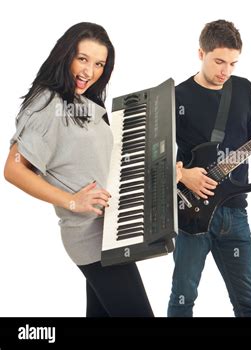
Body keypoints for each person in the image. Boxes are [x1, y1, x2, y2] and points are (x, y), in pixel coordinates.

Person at [4, 22, 156, 317]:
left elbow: (94, 162)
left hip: (110, 230)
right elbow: (14, 169)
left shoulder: (80, 101)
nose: (90, 72)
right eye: (82, 59)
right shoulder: (47, 103)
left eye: (99, 64)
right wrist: (73, 200)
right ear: (65, 54)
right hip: (90, 237)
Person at [168, 19, 251, 317]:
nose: (225, 71)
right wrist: (184, 175)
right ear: (200, 53)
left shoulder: (243, 89)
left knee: (248, 304)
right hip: (193, 213)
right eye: (219, 61)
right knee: (183, 298)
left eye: (233, 63)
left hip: (235, 212)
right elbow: (157, 159)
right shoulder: (177, 96)